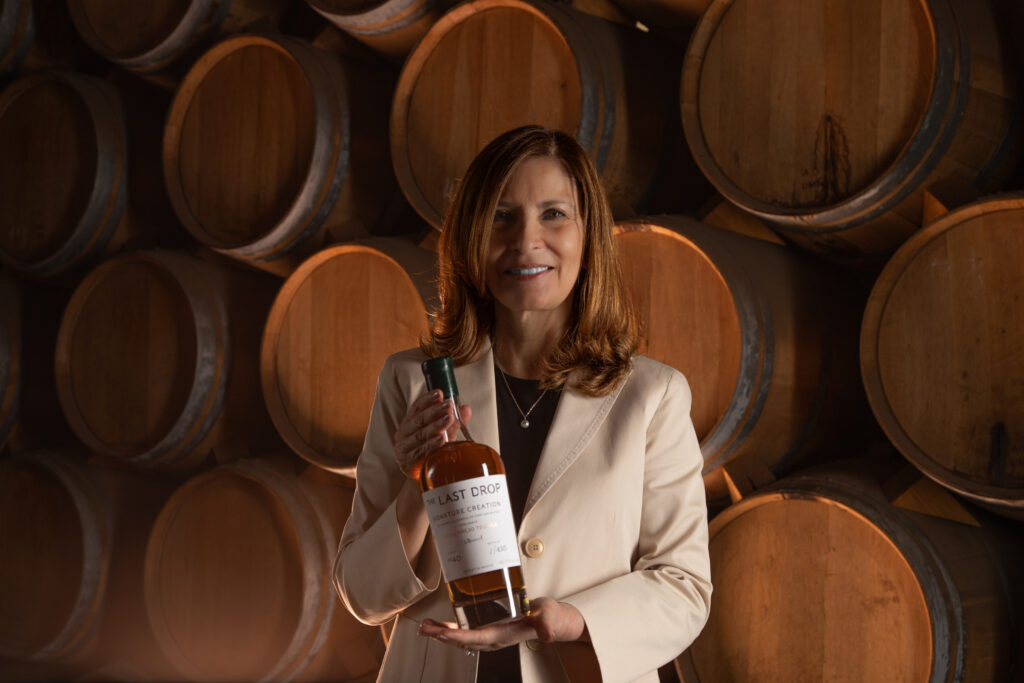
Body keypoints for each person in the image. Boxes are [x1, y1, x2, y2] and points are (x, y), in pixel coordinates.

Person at [333, 125, 711, 683]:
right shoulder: (412, 383)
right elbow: (362, 596)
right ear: (470, 238)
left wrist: (573, 620)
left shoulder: (652, 396)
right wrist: (420, 487)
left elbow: (684, 588)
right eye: (501, 217)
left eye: (554, 214)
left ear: (589, 236)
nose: (526, 240)